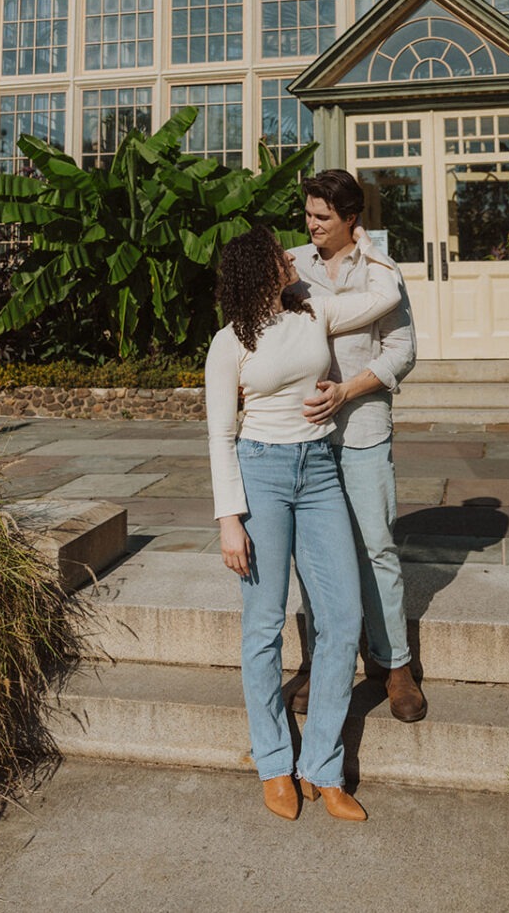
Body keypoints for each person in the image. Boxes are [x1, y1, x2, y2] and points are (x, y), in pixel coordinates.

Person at [205, 223, 401, 823]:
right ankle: (273, 762)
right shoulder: (227, 342)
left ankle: (323, 768)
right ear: (259, 269)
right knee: (263, 625)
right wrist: (229, 520)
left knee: (341, 619)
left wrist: (368, 246)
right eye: (277, 253)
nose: (290, 254)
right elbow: (220, 433)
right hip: (259, 474)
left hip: (318, 472)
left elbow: (385, 295)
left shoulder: (313, 309)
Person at [289, 169, 427, 723]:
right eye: (308, 214)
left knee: (376, 547)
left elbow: (403, 350)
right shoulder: (293, 266)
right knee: (315, 558)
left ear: (352, 219)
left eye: (324, 216)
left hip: (363, 429)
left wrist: (349, 389)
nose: (312, 224)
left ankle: (394, 665)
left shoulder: (381, 272)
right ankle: (323, 661)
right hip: (303, 434)